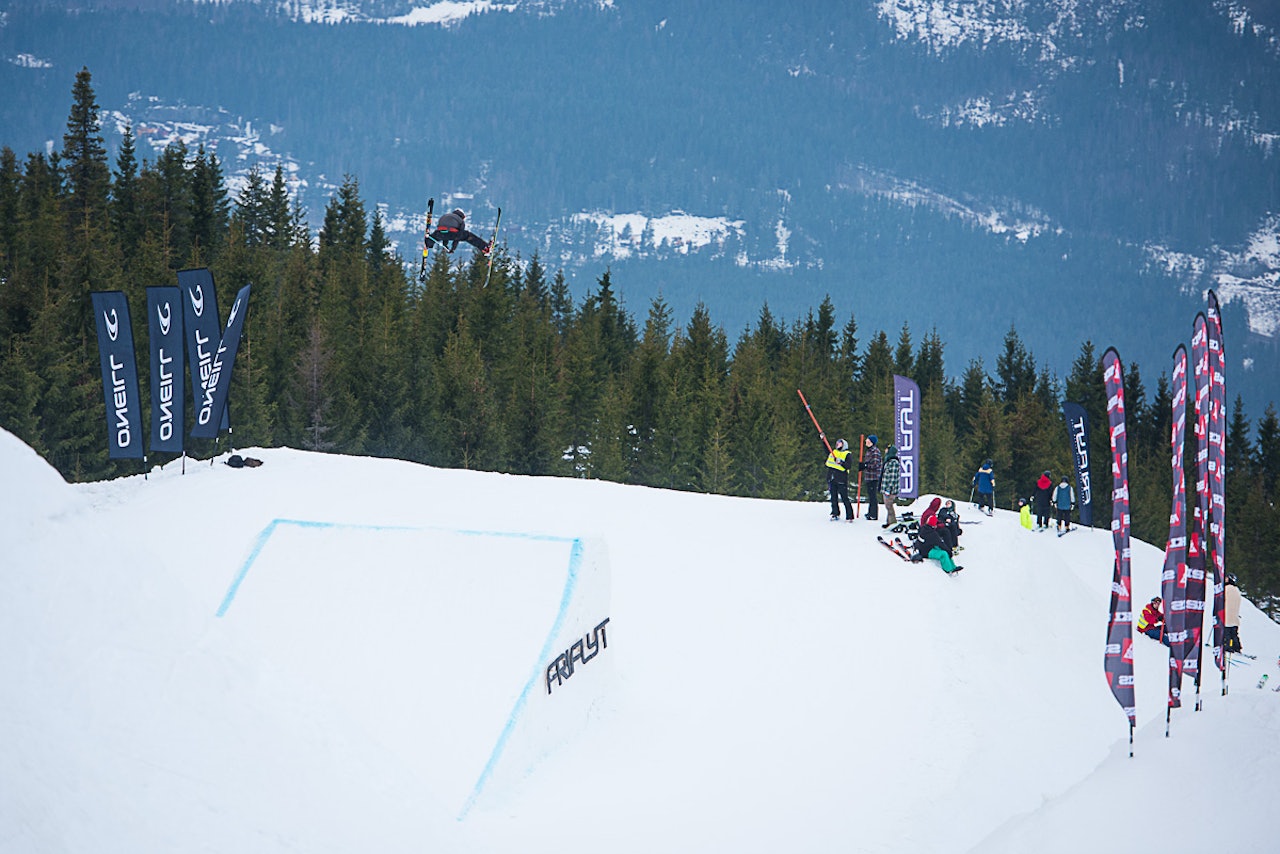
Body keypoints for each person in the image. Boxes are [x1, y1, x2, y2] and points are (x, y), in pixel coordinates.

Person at [912, 497, 962, 573]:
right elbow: (940, 544)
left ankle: (953, 566)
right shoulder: (932, 534)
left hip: (925, 547)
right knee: (944, 553)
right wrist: (949, 551)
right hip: (926, 552)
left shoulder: (924, 529)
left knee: (943, 550)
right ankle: (949, 569)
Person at [427, 208, 491, 255]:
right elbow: (458, 236)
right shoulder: (460, 220)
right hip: (453, 234)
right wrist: (453, 249)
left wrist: (445, 246)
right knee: (469, 236)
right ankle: (485, 247)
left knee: (433, 237)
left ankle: (427, 243)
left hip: (440, 234)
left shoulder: (445, 216)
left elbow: (445, 234)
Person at [826, 438, 854, 521]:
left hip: (841, 479)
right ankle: (835, 513)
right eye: (837, 442)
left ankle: (849, 516)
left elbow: (848, 466)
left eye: (840, 443)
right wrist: (823, 440)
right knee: (833, 497)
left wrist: (841, 462)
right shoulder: (834, 452)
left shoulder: (847, 454)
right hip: (832, 478)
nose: (837, 444)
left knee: (844, 498)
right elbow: (826, 449)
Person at [859, 435, 883, 521]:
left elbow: (875, 464)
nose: (866, 442)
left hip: (873, 477)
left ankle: (873, 514)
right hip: (869, 476)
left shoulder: (875, 451)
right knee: (870, 495)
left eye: (868, 441)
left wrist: (865, 466)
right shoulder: (869, 451)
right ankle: (870, 512)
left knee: (873, 496)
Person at [879, 444, 901, 528]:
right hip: (886, 488)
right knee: (887, 505)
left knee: (889, 505)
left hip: (890, 489)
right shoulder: (888, 461)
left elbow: (892, 477)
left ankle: (893, 523)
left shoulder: (893, 462)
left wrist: (888, 489)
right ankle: (889, 521)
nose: (885, 450)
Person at [1224, 575, 1243, 653]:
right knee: (1234, 633)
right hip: (1235, 616)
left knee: (1227, 632)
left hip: (1226, 615)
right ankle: (1236, 646)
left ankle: (1228, 646)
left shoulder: (1226, 589)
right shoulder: (1236, 590)